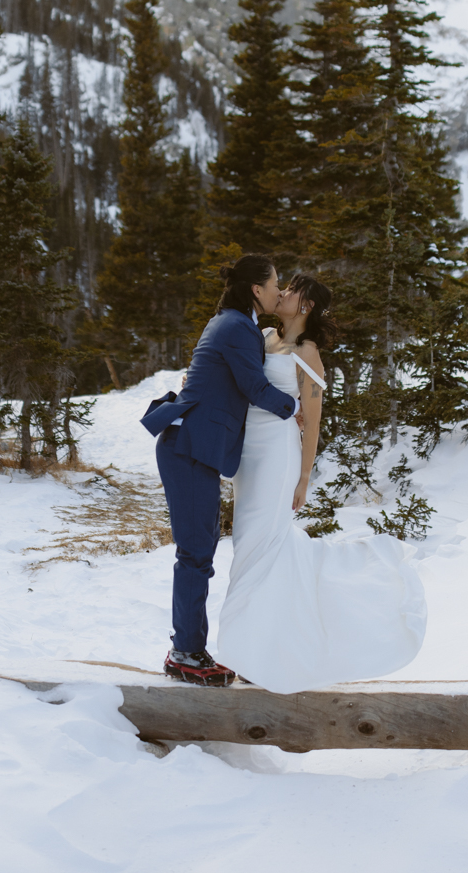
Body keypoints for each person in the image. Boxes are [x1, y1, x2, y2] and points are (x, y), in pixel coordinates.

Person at [212, 270, 426, 692]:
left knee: (260, 547)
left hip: (278, 455)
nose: (283, 293)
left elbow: (312, 423)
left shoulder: (308, 354)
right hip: (249, 454)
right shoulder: (266, 336)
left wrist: (303, 477)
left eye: (291, 291)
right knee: (249, 546)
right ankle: (257, 646)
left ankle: (247, 651)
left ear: (305, 306)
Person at [140, 254, 298, 686]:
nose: (279, 290)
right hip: (188, 445)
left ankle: (190, 649)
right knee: (195, 554)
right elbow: (254, 388)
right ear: (255, 290)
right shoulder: (235, 327)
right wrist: (296, 407)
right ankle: (186, 653)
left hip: (197, 447)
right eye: (274, 284)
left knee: (200, 551)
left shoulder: (237, 323)